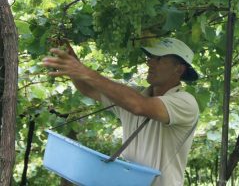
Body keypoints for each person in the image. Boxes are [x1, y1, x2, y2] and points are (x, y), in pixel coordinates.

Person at [43, 37, 200, 186]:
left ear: (179, 69)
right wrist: (72, 59)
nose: (150, 62)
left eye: (158, 59)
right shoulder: (133, 96)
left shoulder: (185, 102)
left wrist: (82, 70)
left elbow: (139, 106)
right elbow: (89, 88)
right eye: (150, 56)